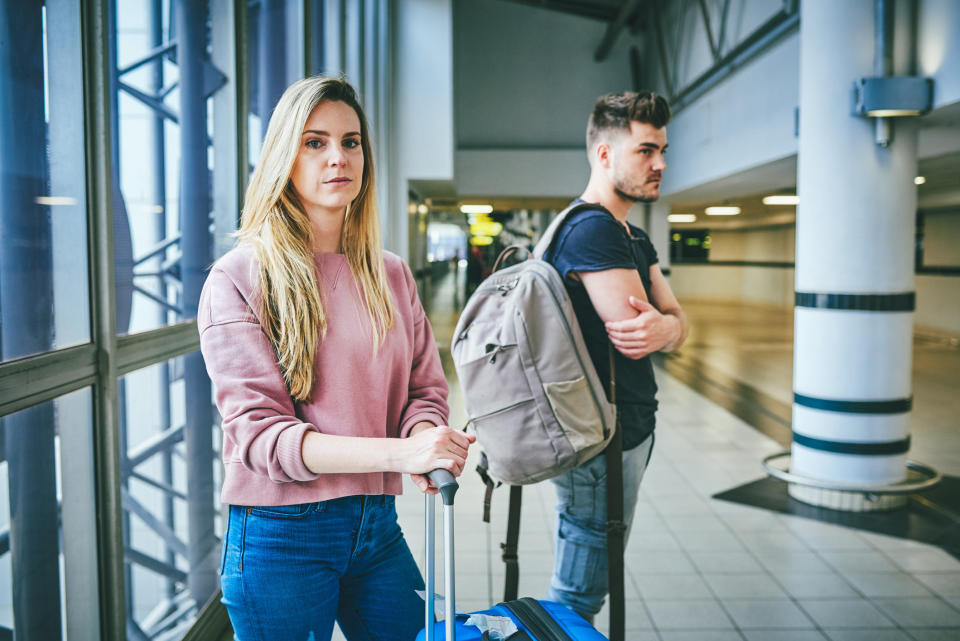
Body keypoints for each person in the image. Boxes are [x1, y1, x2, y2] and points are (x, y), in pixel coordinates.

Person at [197, 76, 474, 641]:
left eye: (351, 142)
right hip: (281, 534)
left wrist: (427, 439)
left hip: (375, 525)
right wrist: (403, 452)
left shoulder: (389, 272)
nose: (338, 158)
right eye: (314, 141)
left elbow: (425, 389)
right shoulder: (240, 278)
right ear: (284, 156)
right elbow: (260, 437)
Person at [541, 91, 688, 621]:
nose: (661, 164)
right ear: (604, 155)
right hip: (599, 438)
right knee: (580, 592)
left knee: (589, 575)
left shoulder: (633, 236)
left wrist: (668, 328)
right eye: (646, 150)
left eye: (663, 150)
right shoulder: (593, 229)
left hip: (623, 432)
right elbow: (636, 327)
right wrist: (668, 326)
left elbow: (672, 322)